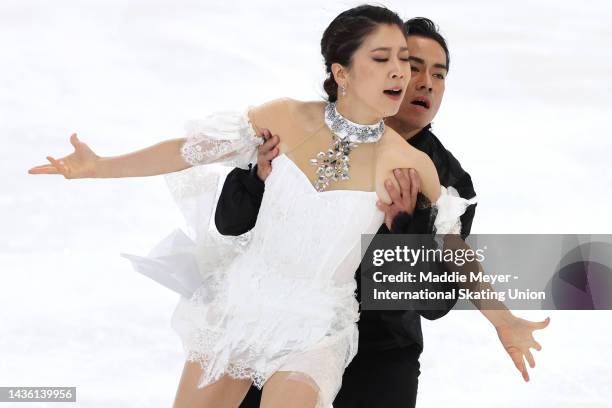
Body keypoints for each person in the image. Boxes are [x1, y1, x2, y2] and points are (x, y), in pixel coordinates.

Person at [214, 17, 550, 408]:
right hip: (282, 332)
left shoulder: (443, 178)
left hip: (380, 353)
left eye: (439, 75)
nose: (425, 82)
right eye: (413, 66)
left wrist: (408, 228)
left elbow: (434, 304)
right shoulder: (302, 128)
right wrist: (258, 178)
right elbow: (229, 224)